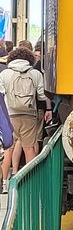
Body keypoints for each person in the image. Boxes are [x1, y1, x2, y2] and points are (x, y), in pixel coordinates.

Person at [0, 46, 52, 192]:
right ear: (29, 59)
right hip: (29, 115)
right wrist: (47, 109)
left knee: (8, 149)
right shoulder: (35, 73)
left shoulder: (5, 73)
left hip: (9, 115)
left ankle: (4, 183)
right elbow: (42, 96)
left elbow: (1, 93)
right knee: (29, 149)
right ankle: (29, 183)